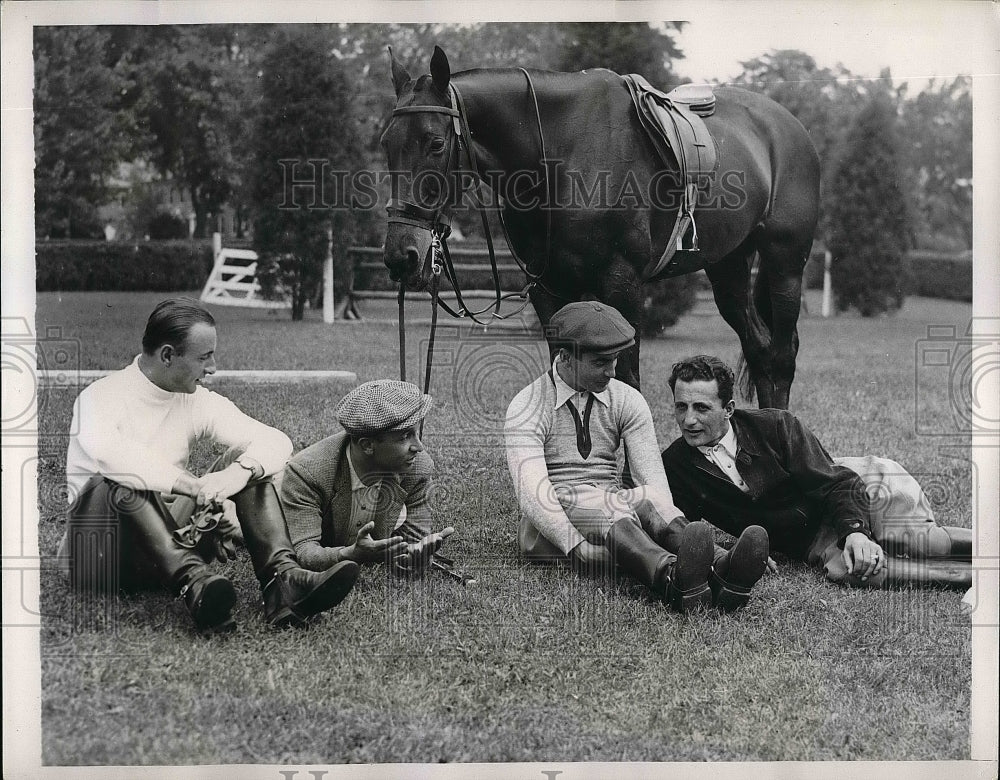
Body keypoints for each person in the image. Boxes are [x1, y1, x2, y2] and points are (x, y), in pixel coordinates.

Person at [58, 297, 360, 635]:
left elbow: (276, 441)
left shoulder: (195, 399)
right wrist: (193, 486)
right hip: (97, 558)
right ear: (168, 355)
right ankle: (194, 583)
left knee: (249, 461)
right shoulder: (100, 397)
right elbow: (109, 453)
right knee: (117, 478)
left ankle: (283, 582)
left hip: (161, 552)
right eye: (204, 357)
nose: (213, 367)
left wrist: (236, 475)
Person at [504, 301, 770, 613]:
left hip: (612, 515)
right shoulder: (528, 405)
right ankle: (673, 578)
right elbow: (533, 493)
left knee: (646, 496)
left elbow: (652, 481)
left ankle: (723, 568)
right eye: (601, 362)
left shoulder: (625, 398)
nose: (612, 371)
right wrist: (576, 548)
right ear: (564, 357)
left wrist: (662, 516)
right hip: (552, 522)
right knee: (608, 502)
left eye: (615, 359)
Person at [661, 354, 973, 589]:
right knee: (850, 570)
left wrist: (856, 532)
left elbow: (837, 483)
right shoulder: (676, 464)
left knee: (910, 540)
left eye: (701, 408)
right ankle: (970, 578)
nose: (688, 420)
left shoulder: (776, 425)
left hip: (857, 485)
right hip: (812, 536)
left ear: (728, 409)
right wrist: (727, 554)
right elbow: (676, 525)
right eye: (680, 407)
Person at [281, 380, 454, 576]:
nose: (419, 447)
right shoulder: (307, 473)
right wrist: (350, 554)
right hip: (277, 495)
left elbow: (410, 544)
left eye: (416, 433)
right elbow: (305, 553)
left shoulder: (418, 467)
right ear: (367, 446)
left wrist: (414, 557)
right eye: (405, 436)